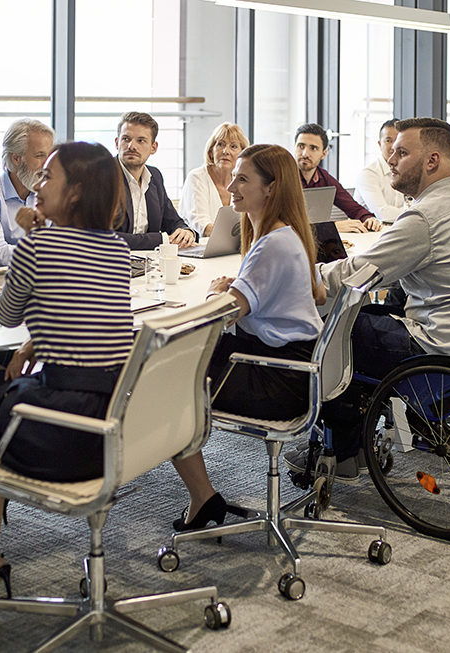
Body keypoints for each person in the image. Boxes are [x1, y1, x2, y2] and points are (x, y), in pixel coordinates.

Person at [0, 141, 134, 619]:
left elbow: (5, 316)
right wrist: (35, 343)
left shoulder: (38, 243)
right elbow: (80, 309)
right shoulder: (118, 248)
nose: (36, 185)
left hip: (67, 431)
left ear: (75, 193)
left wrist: (34, 237)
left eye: (48, 177)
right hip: (116, 423)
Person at [286, 117, 450, 479]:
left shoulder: (425, 217)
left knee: (333, 330)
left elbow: (355, 275)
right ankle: (356, 442)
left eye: (401, 152)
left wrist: (292, 276)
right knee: (367, 316)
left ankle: (342, 450)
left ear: (431, 161)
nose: (390, 160)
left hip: (444, 348)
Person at [168, 144, 326, 531]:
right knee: (176, 361)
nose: (231, 185)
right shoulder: (287, 235)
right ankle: (202, 497)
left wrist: (216, 293)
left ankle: (203, 498)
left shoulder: (271, 244)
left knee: (164, 386)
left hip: (275, 376)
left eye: (242, 179)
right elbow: (314, 294)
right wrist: (233, 287)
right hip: (292, 365)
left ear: (270, 188)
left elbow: (222, 316)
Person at [0, 119, 56, 269]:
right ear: (16, 158)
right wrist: (45, 254)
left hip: (33, 280)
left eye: (50, 156)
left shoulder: (48, 193)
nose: (46, 164)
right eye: (40, 155)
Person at [112, 111, 198, 250]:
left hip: (148, 264)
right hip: (111, 262)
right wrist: (162, 240)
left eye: (140, 141)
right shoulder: (101, 177)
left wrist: (185, 232)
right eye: (126, 139)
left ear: (153, 147)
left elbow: (173, 221)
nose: (131, 146)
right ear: (117, 142)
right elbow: (103, 237)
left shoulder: (155, 176)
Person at [294, 123, 382, 233]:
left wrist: (369, 219)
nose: (305, 154)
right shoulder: (281, 177)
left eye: (313, 148)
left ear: (323, 154)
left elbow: (353, 208)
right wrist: (332, 227)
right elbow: (284, 226)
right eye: (301, 146)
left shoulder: (324, 178)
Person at [179, 122, 250, 236]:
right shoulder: (197, 177)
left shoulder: (243, 182)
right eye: (220, 144)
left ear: (241, 154)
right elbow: (202, 225)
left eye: (233, 146)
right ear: (211, 152)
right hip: (198, 247)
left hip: (231, 247)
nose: (226, 151)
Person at [355, 118, 409, 224]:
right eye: (388, 140)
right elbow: (383, 214)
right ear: (380, 144)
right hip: (368, 234)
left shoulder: (407, 170)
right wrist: (413, 214)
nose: (394, 145)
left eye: (398, 140)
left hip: (397, 228)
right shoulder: (369, 174)